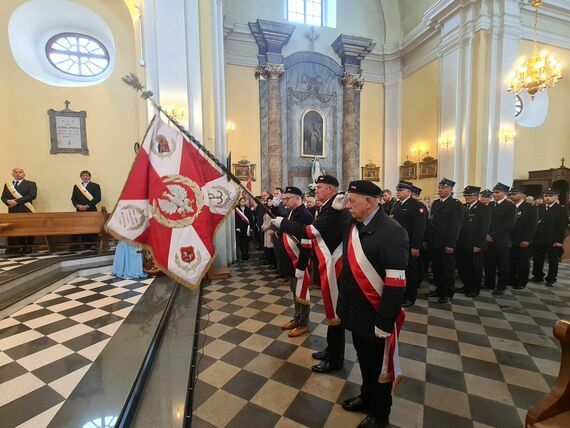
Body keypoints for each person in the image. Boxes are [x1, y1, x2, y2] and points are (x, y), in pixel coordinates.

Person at [334, 180, 408, 428]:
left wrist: (386, 321)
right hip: (355, 311)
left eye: (351, 201)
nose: (347, 206)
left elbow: (396, 283)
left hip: (375, 314)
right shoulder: (351, 224)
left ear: (369, 201)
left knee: (378, 366)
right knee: (364, 361)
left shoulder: (392, 231)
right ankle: (366, 398)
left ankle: (380, 413)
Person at [275, 174, 346, 373]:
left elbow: (312, 231)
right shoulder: (327, 206)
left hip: (335, 265)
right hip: (327, 264)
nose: (316, 189)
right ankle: (331, 350)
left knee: (336, 311)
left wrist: (283, 224)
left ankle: (335, 358)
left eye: (321, 186)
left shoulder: (334, 207)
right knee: (332, 309)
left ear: (331, 189)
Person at [274, 186, 313, 337]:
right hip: (290, 260)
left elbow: (306, 243)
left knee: (302, 292)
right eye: (283, 198)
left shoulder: (305, 215)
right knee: (294, 291)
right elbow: (289, 229)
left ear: (297, 198)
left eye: (286, 198)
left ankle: (304, 323)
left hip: (299, 261)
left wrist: (302, 266)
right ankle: (296, 318)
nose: (284, 201)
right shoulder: (291, 212)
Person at [425, 178, 464, 303]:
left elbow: (455, 226)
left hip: (446, 243)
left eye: (443, 188)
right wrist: (427, 240)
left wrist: (450, 244)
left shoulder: (455, 204)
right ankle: (439, 288)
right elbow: (431, 223)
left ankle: (448, 293)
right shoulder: (436, 203)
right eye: (440, 187)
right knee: (436, 268)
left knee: (447, 269)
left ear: (450, 190)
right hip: (434, 242)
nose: (440, 190)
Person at [391, 181, 426, 307]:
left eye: (401, 190)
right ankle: (402, 293)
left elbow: (419, 228)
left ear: (409, 192)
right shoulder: (397, 204)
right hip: (398, 243)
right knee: (402, 270)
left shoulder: (416, 205)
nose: (398, 192)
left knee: (410, 270)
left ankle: (410, 297)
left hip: (410, 244)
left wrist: (416, 246)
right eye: (398, 190)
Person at [455, 186, 490, 297]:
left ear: (476, 196)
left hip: (475, 244)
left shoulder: (483, 208)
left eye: (470, 195)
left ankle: (474, 289)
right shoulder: (463, 207)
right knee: (463, 267)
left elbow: (484, 228)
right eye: (466, 195)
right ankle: (466, 286)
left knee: (475, 268)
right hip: (461, 243)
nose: (467, 197)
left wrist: (478, 244)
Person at [483, 183, 516, 296]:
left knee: (502, 265)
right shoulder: (490, 205)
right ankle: (489, 283)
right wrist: (486, 234)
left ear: (505, 194)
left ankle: (501, 286)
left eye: (497, 192)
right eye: (494, 192)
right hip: (488, 239)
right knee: (489, 263)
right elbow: (485, 222)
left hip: (501, 240)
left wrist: (492, 235)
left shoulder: (510, 206)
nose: (494, 194)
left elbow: (509, 224)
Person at [531, 188, 567, 287]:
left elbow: (561, 226)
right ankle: (538, 275)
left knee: (553, 260)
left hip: (552, 239)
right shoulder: (539, 207)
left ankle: (551, 278)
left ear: (556, 197)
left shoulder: (561, 209)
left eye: (550, 196)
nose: (547, 198)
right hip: (538, 238)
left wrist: (559, 241)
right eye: (546, 196)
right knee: (538, 258)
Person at [1, 167, 37, 254]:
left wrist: (16, 201)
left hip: (26, 210)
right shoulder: (8, 185)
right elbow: (3, 197)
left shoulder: (31, 184)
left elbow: (32, 196)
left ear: (24, 174)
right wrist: (7, 201)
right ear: (12, 174)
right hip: (13, 210)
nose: (18, 173)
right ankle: (14, 248)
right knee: (13, 229)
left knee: (27, 229)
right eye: (15, 172)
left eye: (20, 172)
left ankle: (28, 247)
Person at [508, 187, 537, 289]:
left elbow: (532, 225)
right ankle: (511, 279)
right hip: (510, 239)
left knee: (522, 262)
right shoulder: (510, 207)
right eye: (510, 193)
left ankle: (521, 282)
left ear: (522, 195)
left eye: (515, 193)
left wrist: (527, 239)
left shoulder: (530, 208)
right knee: (511, 261)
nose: (512, 195)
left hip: (522, 239)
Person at [71, 170, 102, 248]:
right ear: (81, 177)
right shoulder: (76, 187)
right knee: (81, 227)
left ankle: (93, 243)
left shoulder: (95, 186)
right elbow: (73, 198)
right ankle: (83, 243)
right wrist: (77, 205)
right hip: (80, 211)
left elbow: (98, 198)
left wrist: (88, 206)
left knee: (91, 227)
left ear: (89, 177)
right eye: (83, 175)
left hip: (91, 210)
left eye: (87, 175)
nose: (85, 177)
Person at [235, 197, 254, 261]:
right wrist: (237, 227)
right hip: (240, 228)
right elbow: (236, 220)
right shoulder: (237, 210)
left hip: (247, 228)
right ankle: (243, 253)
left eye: (243, 201)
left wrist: (251, 228)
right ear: (239, 202)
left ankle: (246, 253)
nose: (242, 202)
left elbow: (251, 219)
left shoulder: (248, 210)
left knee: (246, 242)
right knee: (241, 242)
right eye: (241, 201)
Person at [261, 197, 276, 269]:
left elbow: (272, 220)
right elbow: (265, 219)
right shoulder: (267, 210)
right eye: (268, 201)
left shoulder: (273, 210)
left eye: (271, 201)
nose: (269, 202)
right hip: (265, 230)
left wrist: (266, 227)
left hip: (270, 230)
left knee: (271, 246)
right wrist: (263, 226)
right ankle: (268, 260)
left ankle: (273, 263)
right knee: (267, 246)